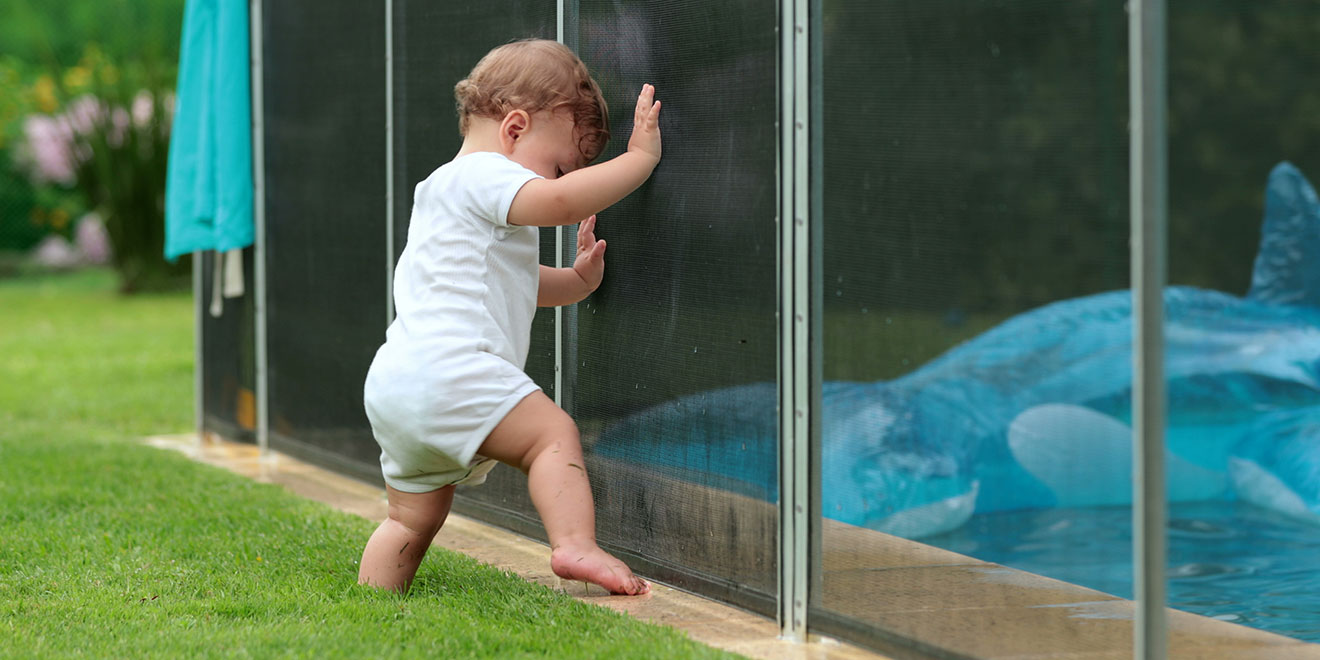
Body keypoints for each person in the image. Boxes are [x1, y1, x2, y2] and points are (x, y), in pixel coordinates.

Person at [358, 38, 661, 596]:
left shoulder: (440, 193)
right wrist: (638, 160)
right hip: (450, 372)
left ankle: (376, 599)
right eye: (558, 167)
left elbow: (508, 283)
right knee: (553, 436)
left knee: (409, 519)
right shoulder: (484, 174)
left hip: (397, 383)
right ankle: (575, 545)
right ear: (514, 129)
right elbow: (561, 204)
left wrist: (577, 282)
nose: (559, 181)